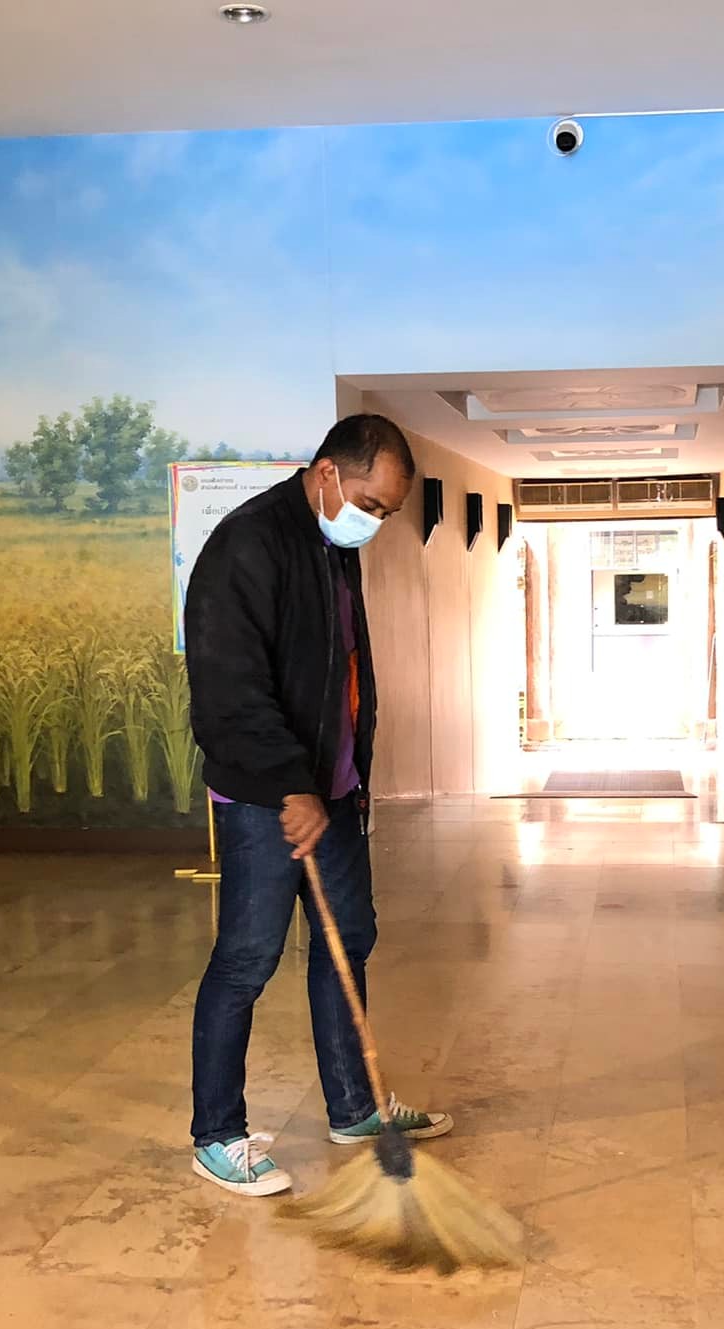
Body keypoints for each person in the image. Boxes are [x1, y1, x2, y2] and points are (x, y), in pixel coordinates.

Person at [182, 414, 452, 1196]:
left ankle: (354, 1108)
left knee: (348, 940)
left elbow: (340, 670)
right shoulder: (247, 546)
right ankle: (217, 1135)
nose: (375, 521)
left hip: (330, 793)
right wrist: (288, 786)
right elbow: (229, 688)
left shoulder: (332, 545)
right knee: (247, 958)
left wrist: (341, 780)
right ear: (329, 472)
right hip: (266, 798)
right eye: (370, 504)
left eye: (387, 512)